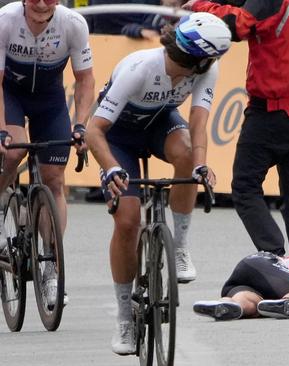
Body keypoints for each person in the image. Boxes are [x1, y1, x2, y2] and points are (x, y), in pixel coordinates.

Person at [85, 13, 229, 355]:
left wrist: (201, 163)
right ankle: (123, 316)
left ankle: (179, 247)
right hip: (117, 136)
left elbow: (198, 120)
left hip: (158, 123)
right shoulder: (139, 68)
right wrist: (109, 170)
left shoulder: (205, 70)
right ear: (201, 57)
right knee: (129, 221)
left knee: (186, 157)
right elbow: (94, 130)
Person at [182, 0, 289, 257]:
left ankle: (273, 254)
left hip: (271, 108)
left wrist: (200, 6)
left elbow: (234, 26)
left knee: (245, 187)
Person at [0, 0, 95, 304]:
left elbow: (85, 80)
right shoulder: (5, 20)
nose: (42, 4)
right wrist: (1, 129)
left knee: (54, 180)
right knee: (13, 154)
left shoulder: (73, 24)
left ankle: (51, 267)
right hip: (10, 95)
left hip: (50, 101)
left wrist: (81, 125)